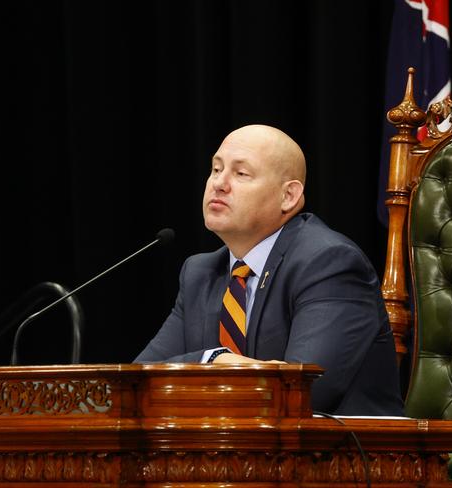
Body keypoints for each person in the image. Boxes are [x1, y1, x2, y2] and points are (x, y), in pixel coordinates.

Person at [135, 124, 404, 416]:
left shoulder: (329, 263)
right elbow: (136, 382)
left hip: (351, 455)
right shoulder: (200, 273)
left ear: (288, 196)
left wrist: (197, 368)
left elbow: (299, 392)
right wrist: (212, 360)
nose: (219, 184)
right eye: (215, 169)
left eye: (241, 174)